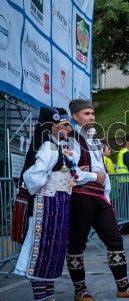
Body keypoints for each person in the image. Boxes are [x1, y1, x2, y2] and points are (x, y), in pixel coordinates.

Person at [66, 99, 129, 300]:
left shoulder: (94, 140)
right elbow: (69, 170)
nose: (92, 117)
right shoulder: (70, 139)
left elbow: (102, 170)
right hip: (81, 196)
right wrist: (93, 176)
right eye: (86, 114)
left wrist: (107, 197)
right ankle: (80, 290)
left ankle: (123, 286)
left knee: (115, 239)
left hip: (99, 196)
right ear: (75, 116)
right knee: (77, 243)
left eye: (93, 113)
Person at [14, 107, 75, 301]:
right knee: (42, 249)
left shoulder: (56, 146)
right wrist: (52, 180)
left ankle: (48, 294)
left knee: (52, 250)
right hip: (46, 206)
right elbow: (33, 176)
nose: (70, 129)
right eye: (66, 125)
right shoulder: (49, 147)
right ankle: (42, 296)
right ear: (53, 127)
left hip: (56, 207)